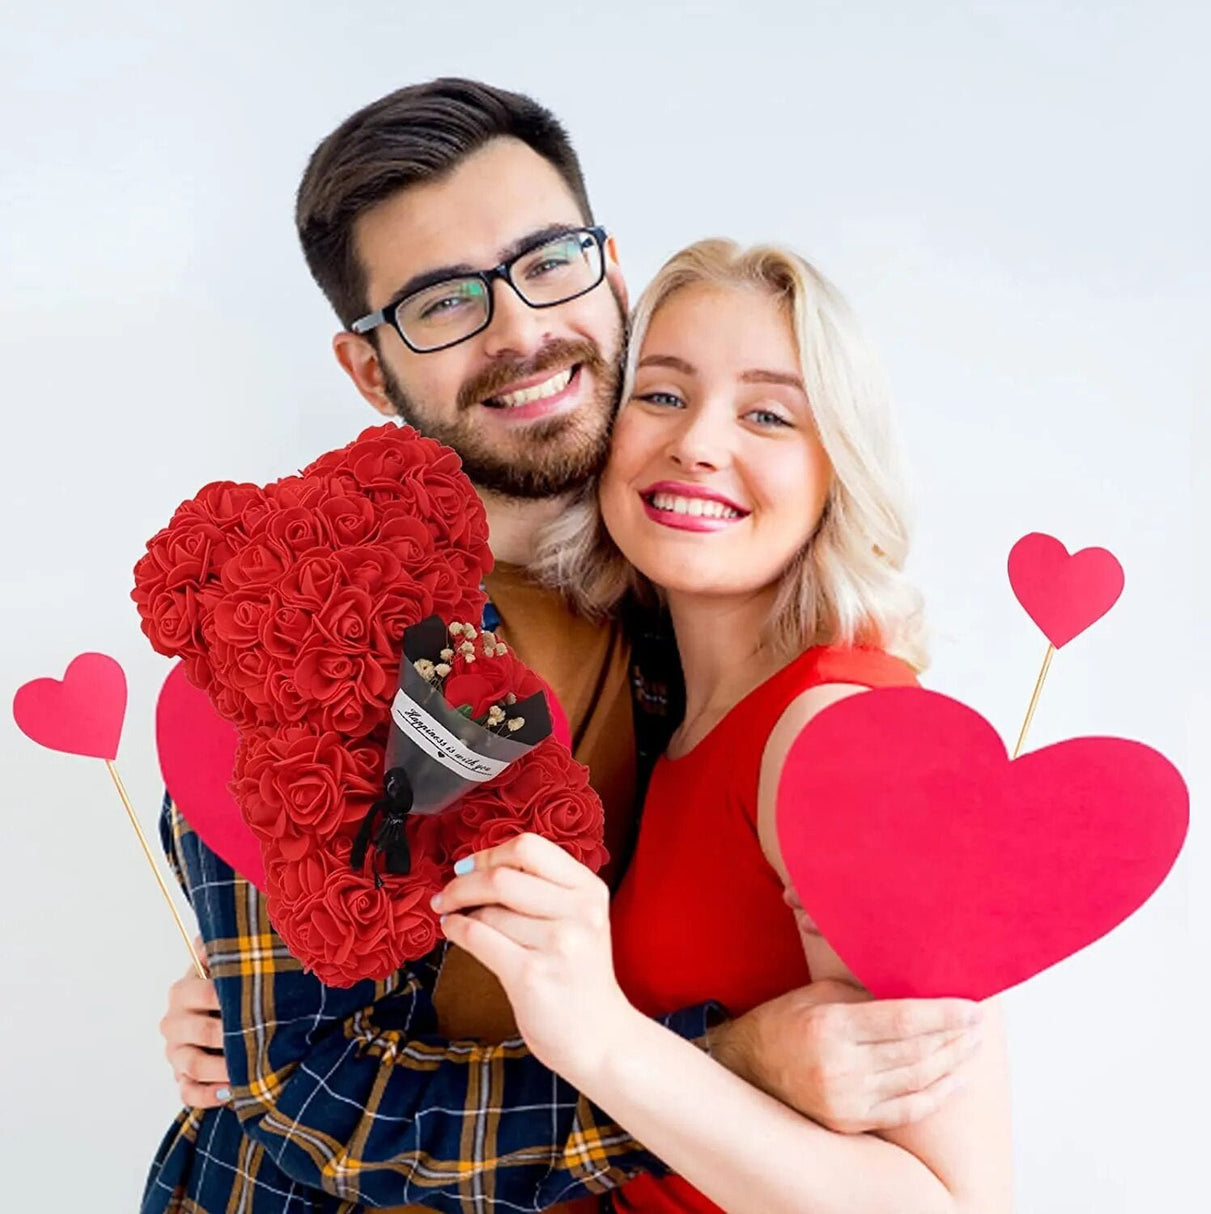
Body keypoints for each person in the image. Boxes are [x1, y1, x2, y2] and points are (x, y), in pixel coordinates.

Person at [148, 79, 986, 1214]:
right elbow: (316, 1101)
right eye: (443, 302)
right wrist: (724, 1062)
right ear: (366, 370)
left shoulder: (687, 595)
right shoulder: (301, 639)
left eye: (547, 262)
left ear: (612, 273)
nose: (520, 329)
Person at [434, 239, 1014, 1213]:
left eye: (766, 413)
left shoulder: (846, 738)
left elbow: (951, 1204)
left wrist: (606, 1041)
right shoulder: (663, 708)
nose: (699, 442)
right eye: (660, 395)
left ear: (839, 467)